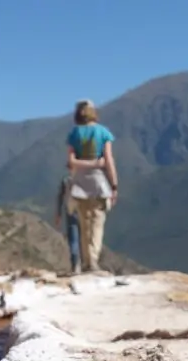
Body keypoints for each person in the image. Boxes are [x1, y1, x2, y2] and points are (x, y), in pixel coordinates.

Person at [65, 99, 118, 271]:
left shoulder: (74, 134)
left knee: (84, 225)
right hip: (98, 183)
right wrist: (114, 184)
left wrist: (84, 164)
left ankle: (86, 261)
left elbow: (71, 161)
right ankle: (93, 261)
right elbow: (108, 160)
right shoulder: (104, 133)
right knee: (97, 224)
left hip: (79, 183)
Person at [54, 174, 81, 274]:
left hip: (71, 211)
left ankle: (75, 265)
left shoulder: (66, 181)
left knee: (73, 239)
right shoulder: (86, 179)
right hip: (85, 211)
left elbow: (60, 197)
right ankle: (88, 263)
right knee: (85, 239)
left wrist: (58, 214)